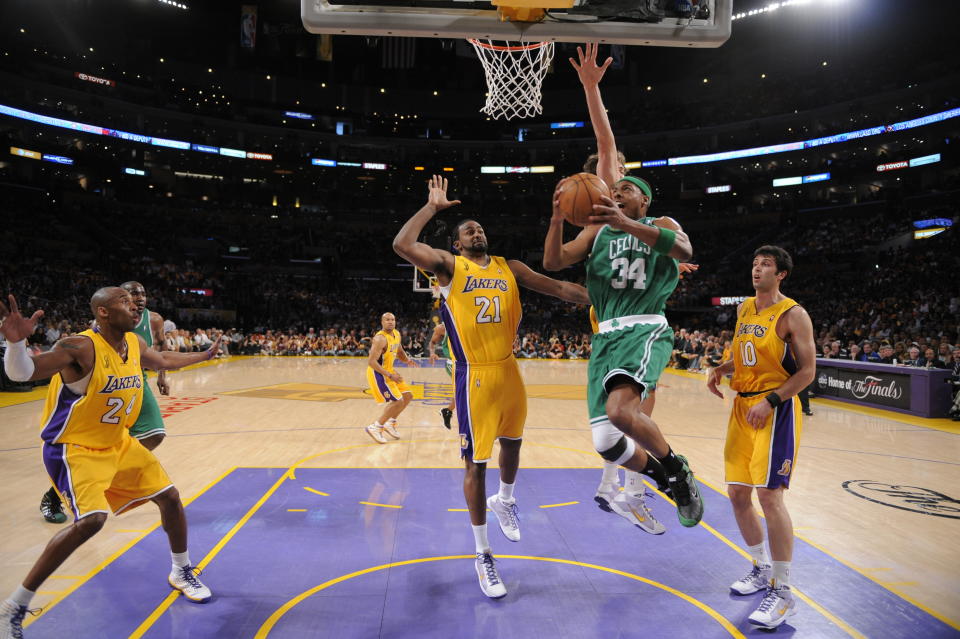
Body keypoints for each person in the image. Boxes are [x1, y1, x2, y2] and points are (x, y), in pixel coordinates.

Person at [393, 175, 590, 599]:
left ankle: (507, 500)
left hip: (508, 369)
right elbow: (402, 245)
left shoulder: (509, 267)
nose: (477, 232)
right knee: (475, 464)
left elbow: (557, 287)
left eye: (479, 228)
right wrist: (432, 208)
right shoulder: (448, 267)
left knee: (514, 443)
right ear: (457, 243)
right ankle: (483, 554)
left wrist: (605, 300)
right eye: (468, 230)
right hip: (472, 374)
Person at [542, 43, 704, 535]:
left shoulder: (655, 220)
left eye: (627, 187)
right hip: (605, 334)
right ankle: (655, 479)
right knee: (607, 441)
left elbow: (683, 248)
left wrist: (592, 88)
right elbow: (552, 262)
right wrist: (555, 215)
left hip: (643, 327)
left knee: (625, 410)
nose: (618, 190)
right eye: (616, 186)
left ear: (643, 198)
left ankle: (674, 471)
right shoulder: (599, 228)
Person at [0, 289, 222, 637]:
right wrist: (15, 345)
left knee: (170, 497)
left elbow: (162, 360)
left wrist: (204, 355)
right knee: (91, 521)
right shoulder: (80, 347)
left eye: (134, 301)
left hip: (116, 442)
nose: (134, 304)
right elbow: (23, 373)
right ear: (103, 312)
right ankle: (13, 606)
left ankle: (181, 571)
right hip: (75, 447)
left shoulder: (132, 343)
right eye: (123, 300)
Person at [706, 246, 816, 630]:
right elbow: (745, 355)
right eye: (754, 264)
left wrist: (771, 402)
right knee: (737, 494)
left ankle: (783, 592)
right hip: (742, 408)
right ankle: (761, 567)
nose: (757, 270)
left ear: (782, 273)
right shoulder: (744, 309)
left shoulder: (793, 315)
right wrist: (721, 368)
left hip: (776, 411)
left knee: (770, 496)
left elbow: (807, 373)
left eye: (765, 265)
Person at [38, 281, 171, 525]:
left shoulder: (154, 320)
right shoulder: (102, 324)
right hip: (103, 383)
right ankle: (56, 493)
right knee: (97, 440)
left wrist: (162, 375)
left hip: (136, 378)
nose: (138, 298)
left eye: (142, 293)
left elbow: (161, 347)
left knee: (155, 434)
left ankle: (107, 472)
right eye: (131, 295)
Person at [364, 312, 419, 444]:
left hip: (389, 371)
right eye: (387, 320)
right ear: (382, 322)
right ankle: (376, 427)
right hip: (378, 373)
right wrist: (390, 375)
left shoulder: (396, 334)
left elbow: (399, 350)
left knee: (408, 396)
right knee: (398, 401)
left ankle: (390, 422)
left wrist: (407, 360)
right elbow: (371, 362)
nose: (390, 322)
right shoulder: (380, 339)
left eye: (393, 319)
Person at [428, 322, 456, 429]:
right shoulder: (442, 327)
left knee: (463, 392)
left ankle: (447, 411)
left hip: (468, 362)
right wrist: (432, 353)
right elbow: (432, 342)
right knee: (465, 391)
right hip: (453, 363)